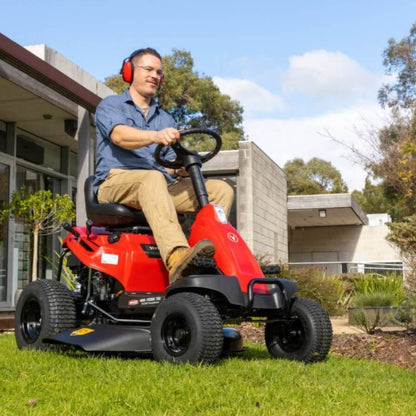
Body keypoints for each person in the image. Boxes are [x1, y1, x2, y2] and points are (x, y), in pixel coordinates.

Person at [93, 47, 234, 283]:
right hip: (115, 182)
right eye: (148, 69)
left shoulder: (165, 118)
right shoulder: (111, 105)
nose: (154, 76)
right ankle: (177, 256)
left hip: (157, 186)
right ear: (129, 71)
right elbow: (119, 136)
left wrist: (178, 168)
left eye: (159, 72)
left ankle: (209, 260)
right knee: (152, 178)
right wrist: (155, 136)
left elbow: (165, 164)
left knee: (221, 189)